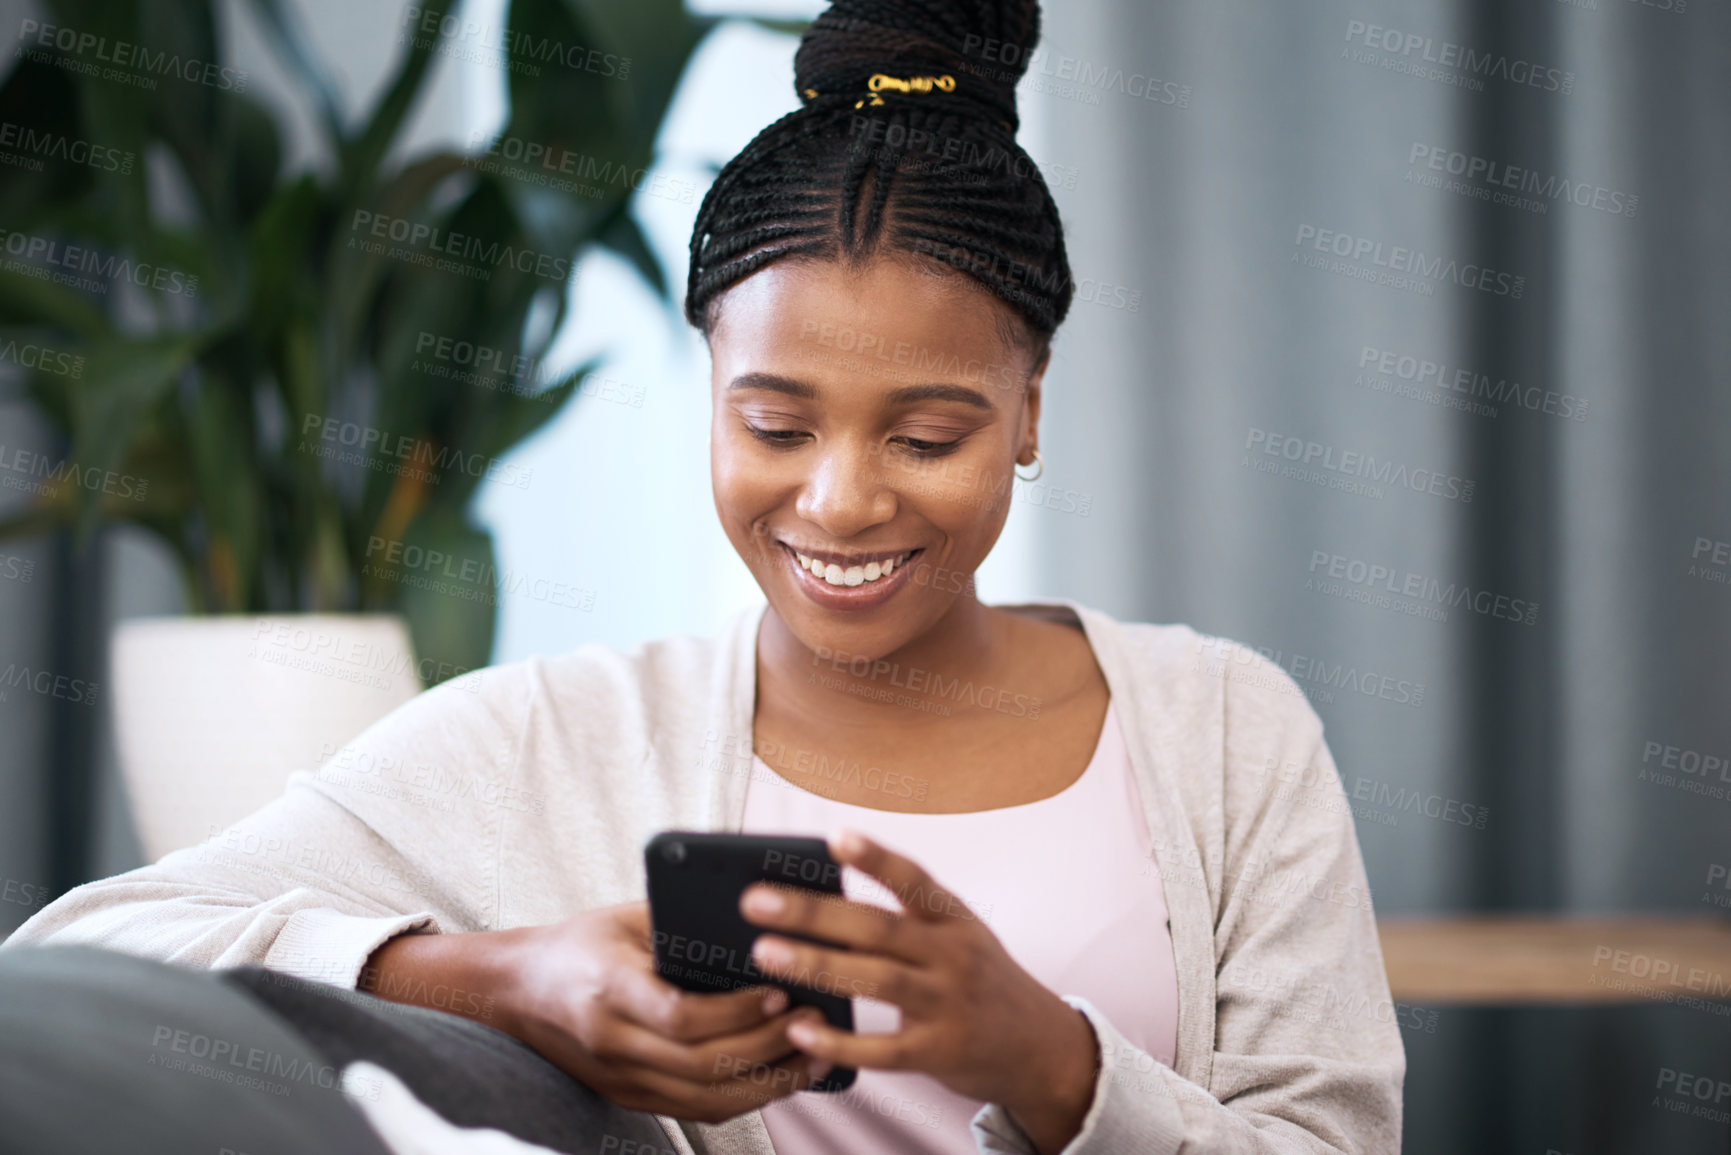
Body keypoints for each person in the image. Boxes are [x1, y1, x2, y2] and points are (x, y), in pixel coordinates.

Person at [4, 0, 1405, 1152]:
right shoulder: (555, 738)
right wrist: (512, 978)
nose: (840, 500)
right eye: (774, 425)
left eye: (928, 434)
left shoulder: (1229, 733)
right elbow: (87, 944)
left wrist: (1046, 1060)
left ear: (1029, 409)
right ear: (711, 390)